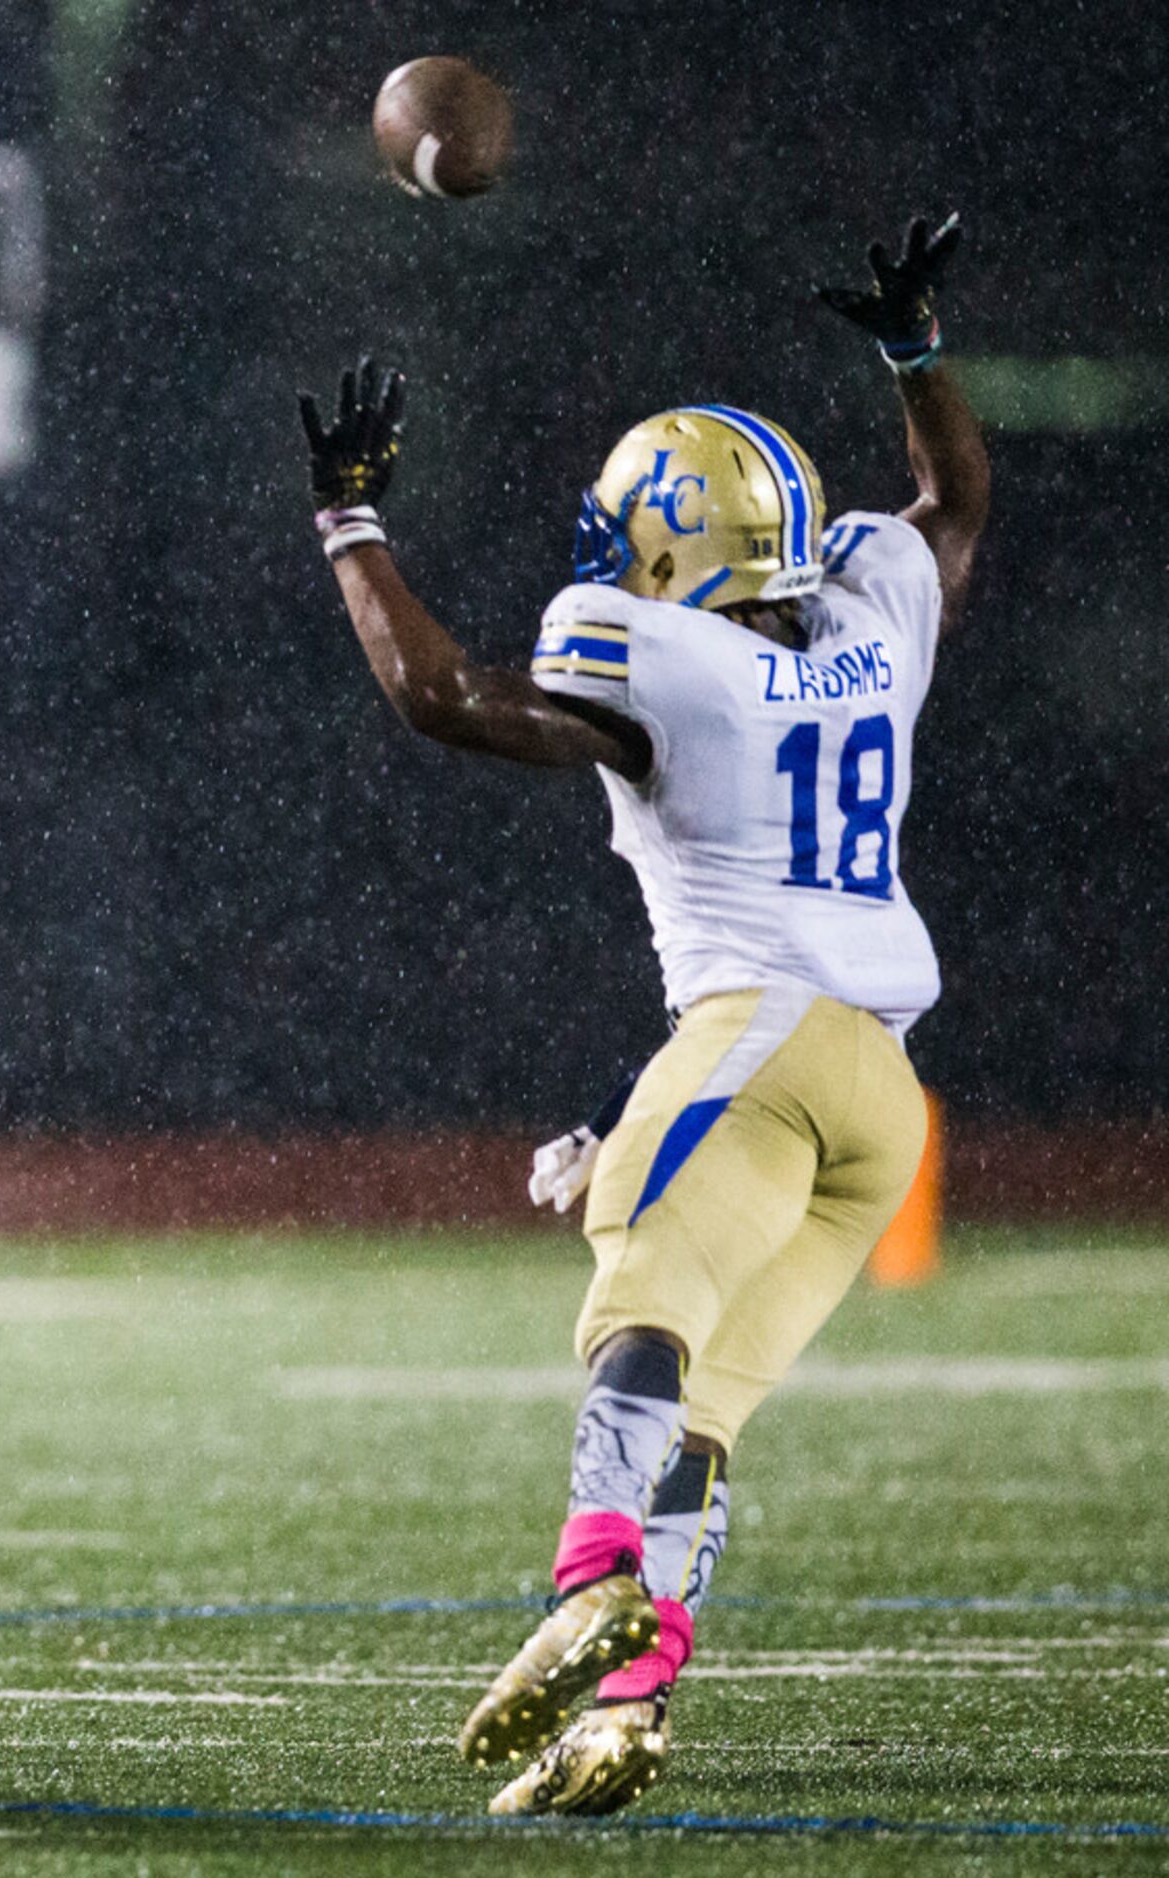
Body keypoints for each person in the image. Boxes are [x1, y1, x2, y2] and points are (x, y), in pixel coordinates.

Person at [297, 216, 988, 1815]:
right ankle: (635, 1697)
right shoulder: (872, 626)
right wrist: (917, 355)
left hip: (763, 1026)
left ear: (670, 552)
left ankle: (587, 1577)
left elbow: (441, 697)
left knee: (635, 1290)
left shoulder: (658, 653)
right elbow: (950, 503)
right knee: (708, 1398)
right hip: (877, 1099)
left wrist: (350, 521)